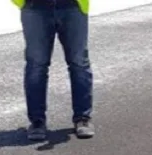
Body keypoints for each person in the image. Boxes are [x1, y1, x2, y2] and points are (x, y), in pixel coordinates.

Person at [11, 0, 95, 141]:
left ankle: (83, 118)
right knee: (36, 65)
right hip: (35, 7)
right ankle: (37, 121)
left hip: (73, 6)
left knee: (79, 63)